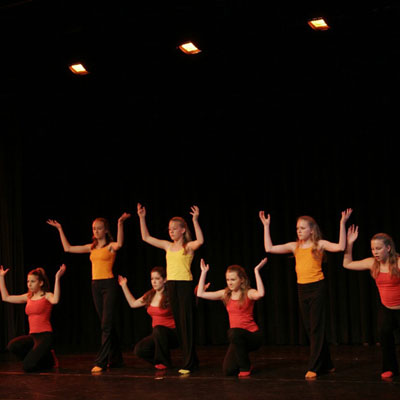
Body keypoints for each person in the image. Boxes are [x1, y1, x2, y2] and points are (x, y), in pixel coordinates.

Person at [259, 208, 353, 379]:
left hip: (317, 287)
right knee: (310, 328)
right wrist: (266, 226)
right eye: (297, 228)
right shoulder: (295, 246)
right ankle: (328, 364)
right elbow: (269, 248)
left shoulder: (319, 244)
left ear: (311, 230)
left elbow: (340, 247)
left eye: (302, 228)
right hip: (302, 288)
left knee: (316, 328)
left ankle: (314, 367)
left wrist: (342, 223)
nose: (299, 231)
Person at [47, 212, 131, 373]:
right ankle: (117, 359)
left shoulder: (110, 246)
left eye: (99, 228)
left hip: (109, 285)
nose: (96, 231)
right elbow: (68, 248)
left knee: (106, 325)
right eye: (94, 228)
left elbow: (120, 243)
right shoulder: (91, 247)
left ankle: (101, 361)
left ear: (105, 230)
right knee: (106, 324)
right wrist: (60, 229)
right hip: (95, 285)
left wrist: (120, 223)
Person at [137, 203, 204, 374]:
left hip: (184, 285)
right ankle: (191, 361)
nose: (171, 231)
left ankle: (189, 363)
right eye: (169, 229)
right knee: (180, 326)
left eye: (174, 229)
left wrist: (195, 220)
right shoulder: (168, 246)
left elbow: (200, 241)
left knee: (186, 324)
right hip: (172, 285)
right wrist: (142, 217)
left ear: (182, 230)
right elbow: (146, 237)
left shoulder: (187, 247)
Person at [343, 226, 400, 380]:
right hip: (386, 308)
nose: (375, 252)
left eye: (378, 248)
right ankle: (390, 368)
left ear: (388, 248)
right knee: (385, 338)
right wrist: (349, 244)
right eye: (373, 249)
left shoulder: (398, 263)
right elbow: (347, 264)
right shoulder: (372, 263)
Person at [197, 257, 267, 376]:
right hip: (237, 339)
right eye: (228, 279)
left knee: (234, 332)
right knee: (228, 370)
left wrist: (256, 271)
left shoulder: (248, 293)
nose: (229, 282)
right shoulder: (226, 294)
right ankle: (247, 363)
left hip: (252, 336)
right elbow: (200, 293)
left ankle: (245, 367)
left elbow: (261, 293)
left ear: (242, 280)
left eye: (233, 279)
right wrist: (203, 272)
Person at [0, 264, 66, 372]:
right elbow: (5, 297)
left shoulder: (47, 295)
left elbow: (56, 300)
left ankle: (49, 359)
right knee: (12, 346)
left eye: (32, 281)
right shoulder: (28, 297)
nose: (29, 284)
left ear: (41, 283)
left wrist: (57, 278)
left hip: (45, 336)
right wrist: (1, 277)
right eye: (28, 281)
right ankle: (45, 356)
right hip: (32, 336)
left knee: (28, 366)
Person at [118, 266, 179, 370]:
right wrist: (124, 286)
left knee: (158, 329)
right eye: (152, 279)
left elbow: (184, 301)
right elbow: (133, 304)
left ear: (164, 280)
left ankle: (164, 362)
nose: (154, 282)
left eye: (157, 279)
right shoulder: (150, 295)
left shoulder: (170, 295)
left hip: (173, 335)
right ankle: (160, 362)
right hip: (158, 335)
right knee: (139, 350)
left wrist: (197, 291)